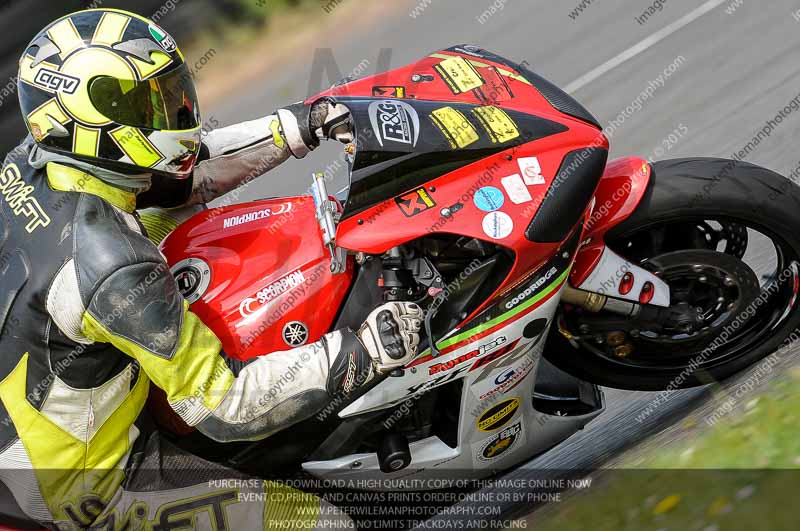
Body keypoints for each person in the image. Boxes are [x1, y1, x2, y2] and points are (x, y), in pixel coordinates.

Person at [0, 8, 421, 530]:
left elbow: (178, 176)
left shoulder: (38, 158)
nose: (172, 110)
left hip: (30, 406)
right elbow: (223, 407)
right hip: (79, 490)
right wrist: (364, 351)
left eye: (168, 94)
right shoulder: (110, 262)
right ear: (94, 124)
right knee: (323, 525)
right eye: (146, 104)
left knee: (179, 213)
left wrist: (298, 126)